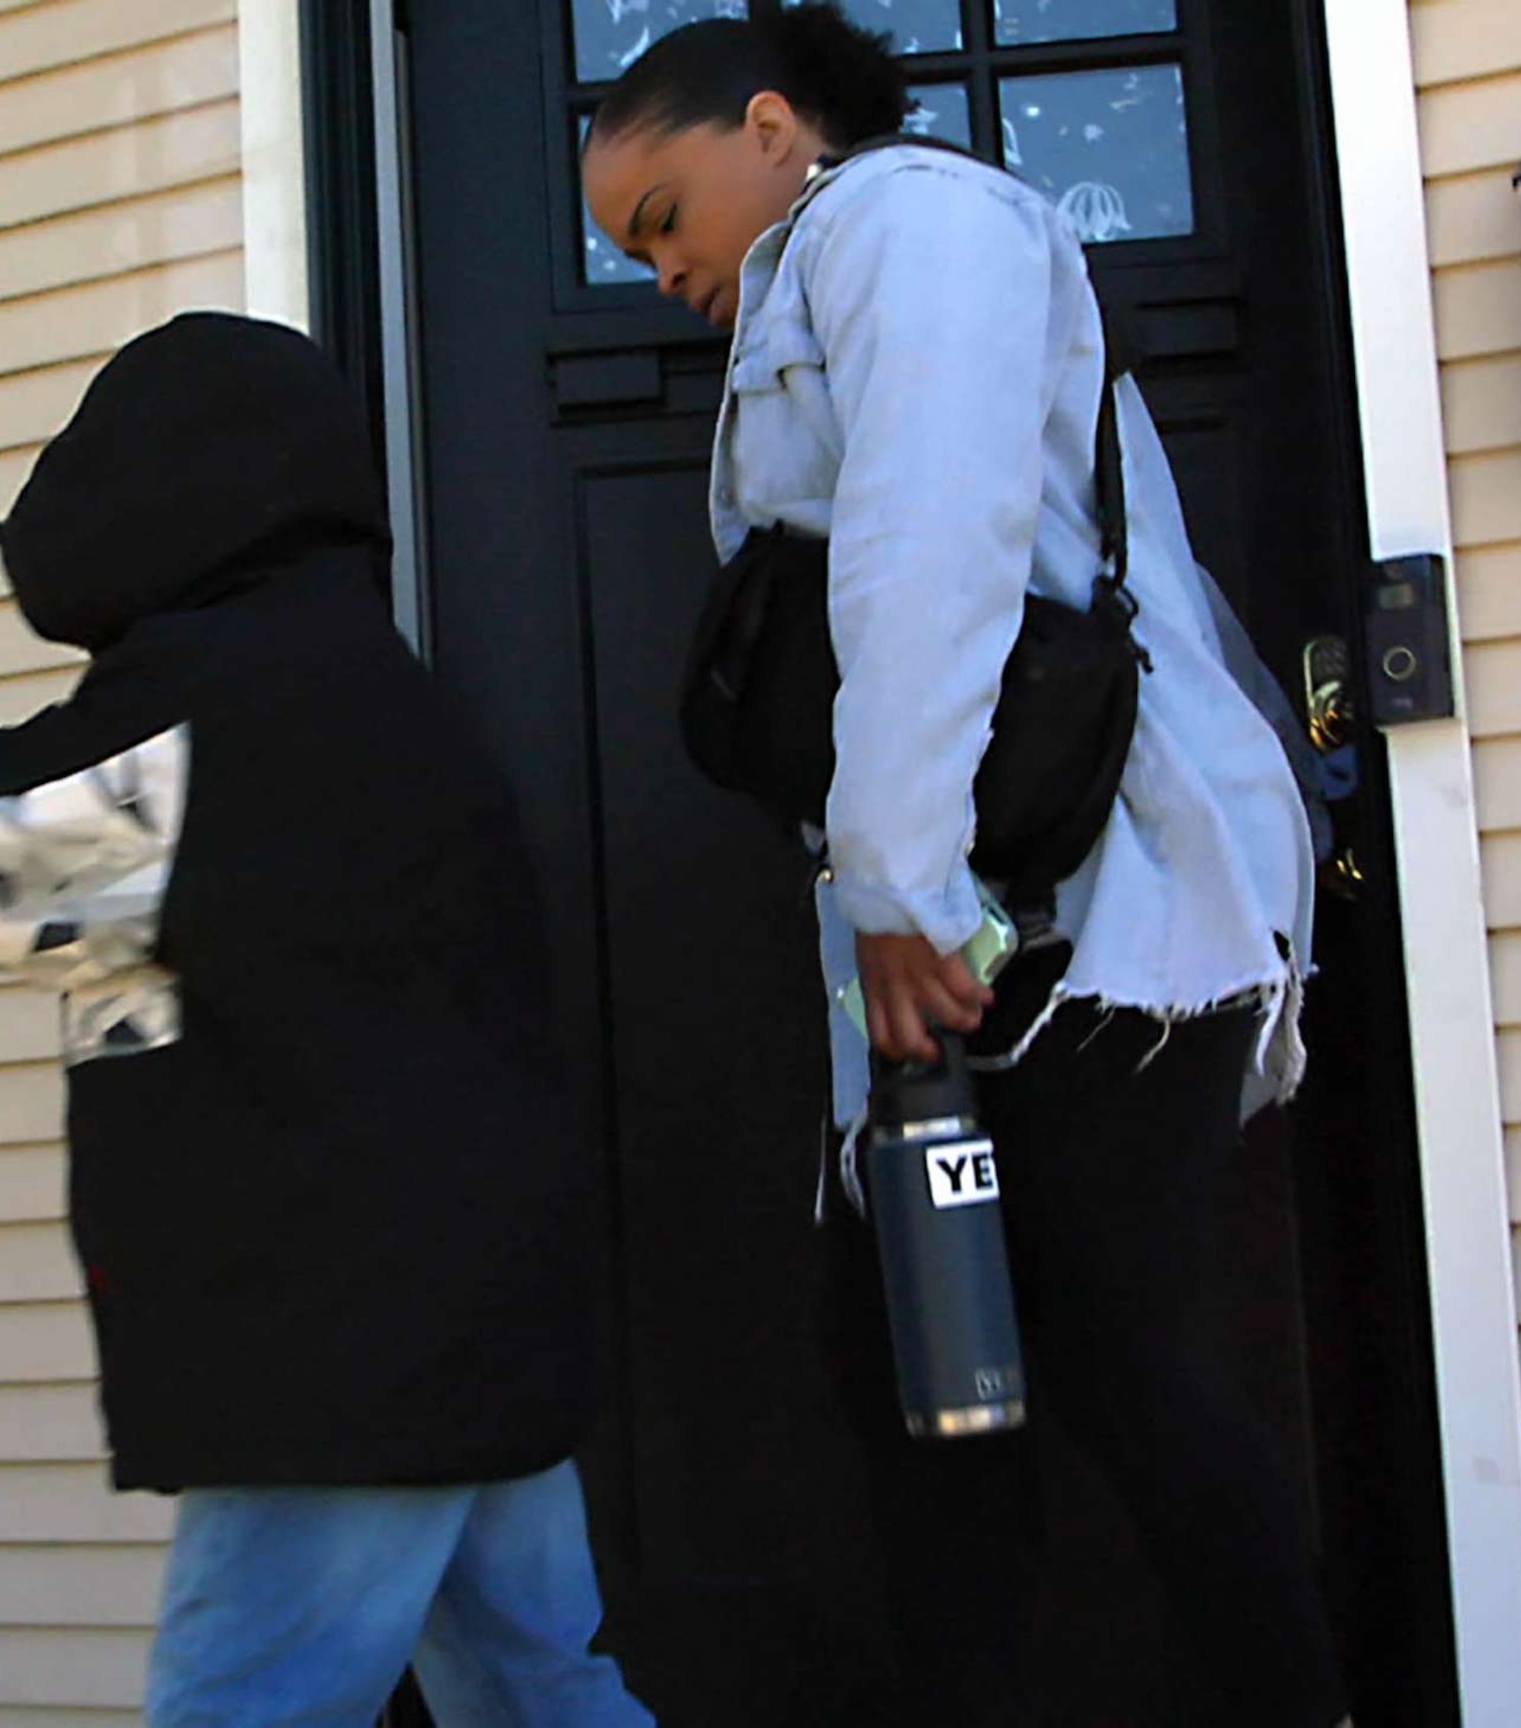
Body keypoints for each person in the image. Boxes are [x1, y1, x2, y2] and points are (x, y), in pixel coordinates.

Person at [583, 11, 1346, 1727]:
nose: (657, 274)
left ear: (769, 129)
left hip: (1101, 915)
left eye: (658, 219)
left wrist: (896, 890)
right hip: (996, 922)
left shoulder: (906, 225)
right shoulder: (831, 267)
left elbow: (931, 548)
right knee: (924, 1379)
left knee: (1107, 1361)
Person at [0, 312, 655, 1728]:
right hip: (467, 1321)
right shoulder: (360, 681)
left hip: (332, 1348)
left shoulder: (216, 705)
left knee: (250, 1706)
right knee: (540, 1692)